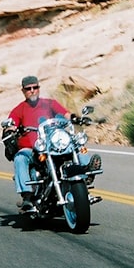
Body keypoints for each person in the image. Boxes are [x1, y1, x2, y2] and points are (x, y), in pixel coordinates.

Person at [5, 75, 101, 212]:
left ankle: (86, 172)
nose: (32, 91)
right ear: (23, 91)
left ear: (39, 88)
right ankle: (27, 196)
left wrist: (77, 119)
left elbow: (66, 114)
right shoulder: (19, 109)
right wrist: (10, 130)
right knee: (20, 158)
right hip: (32, 148)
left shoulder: (50, 103)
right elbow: (12, 123)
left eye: (35, 87)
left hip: (54, 143)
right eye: (28, 89)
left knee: (78, 146)